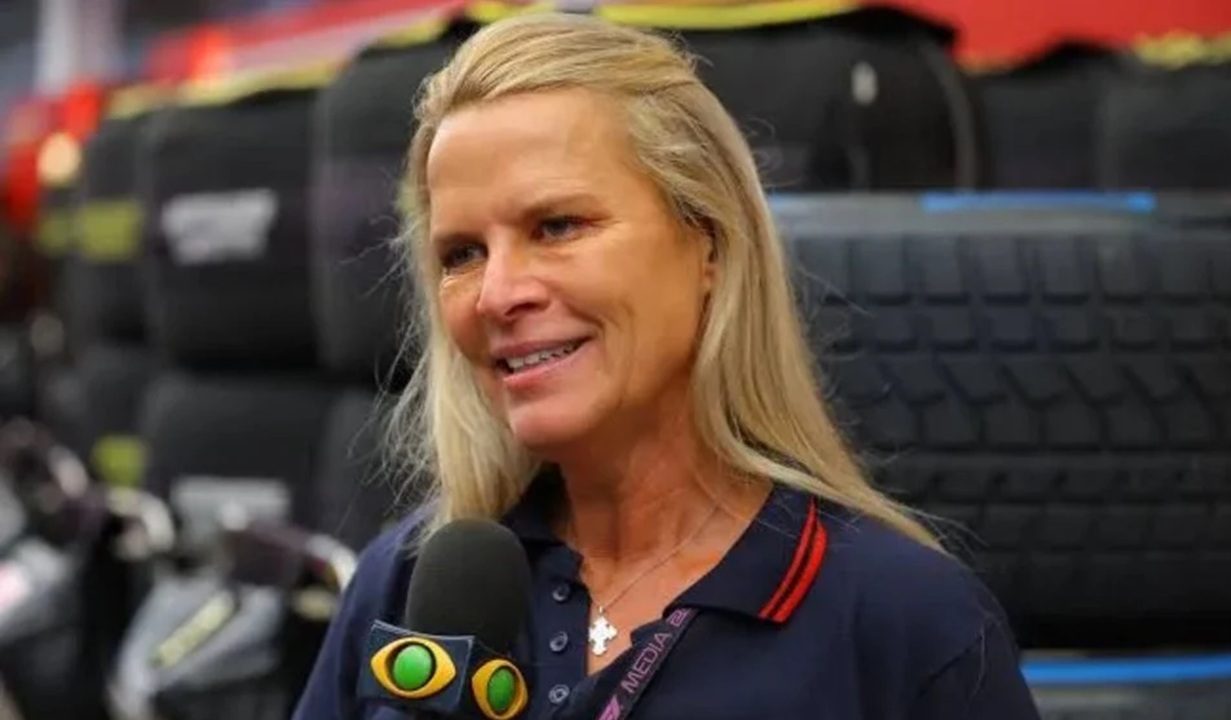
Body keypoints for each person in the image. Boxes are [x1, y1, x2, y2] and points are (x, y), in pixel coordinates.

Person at [294, 12, 1040, 720]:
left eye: (557, 226)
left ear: (708, 242)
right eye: (462, 254)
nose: (497, 294)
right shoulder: (403, 587)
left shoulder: (906, 623)